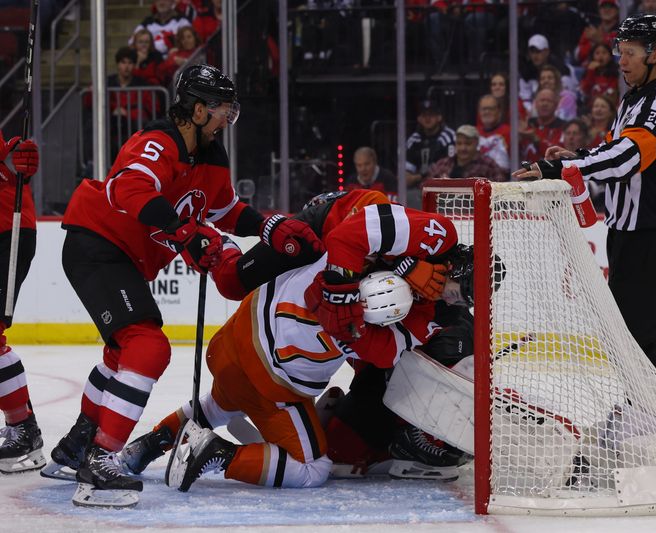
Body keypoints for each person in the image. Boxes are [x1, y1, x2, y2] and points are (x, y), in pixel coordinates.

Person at [43, 65, 323, 506]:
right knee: (146, 348)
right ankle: (100, 459)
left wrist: (269, 225)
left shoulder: (212, 156)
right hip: (98, 243)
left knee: (122, 353)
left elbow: (225, 210)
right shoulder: (158, 142)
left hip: (126, 257)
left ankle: (77, 445)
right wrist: (182, 231)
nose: (226, 122)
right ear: (197, 109)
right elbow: (126, 189)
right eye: (222, 113)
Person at [118, 206, 475, 491]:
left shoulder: (413, 298)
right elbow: (350, 237)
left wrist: (351, 311)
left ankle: (151, 442)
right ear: (456, 265)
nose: (447, 295)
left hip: (234, 342)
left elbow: (352, 238)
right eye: (455, 288)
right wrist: (360, 304)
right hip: (278, 386)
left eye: (456, 299)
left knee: (220, 402)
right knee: (312, 469)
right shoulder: (432, 247)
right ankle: (220, 454)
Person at [512, 14, 656, 380]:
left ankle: (649, 414)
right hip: (625, 233)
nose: (621, 61)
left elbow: (628, 157)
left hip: (653, 235)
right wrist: (575, 158)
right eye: (619, 52)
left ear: (655, 54)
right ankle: (641, 409)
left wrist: (562, 170)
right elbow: (612, 147)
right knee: (622, 336)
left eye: (630, 53)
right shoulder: (633, 100)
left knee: (638, 335)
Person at [0, 133, 41, 474]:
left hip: (6, 233)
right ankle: (22, 425)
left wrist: (17, 153)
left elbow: (15, 157)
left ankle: (23, 428)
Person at [405, 100, 456, 208]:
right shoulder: (413, 140)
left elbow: (449, 170)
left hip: (443, 189)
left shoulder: (449, 137)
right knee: (407, 196)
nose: (427, 118)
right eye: (424, 115)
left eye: (431, 115)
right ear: (419, 118)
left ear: (439, 117)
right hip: (419, 189)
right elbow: (406, 177)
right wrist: (421, 177)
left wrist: (420, 177)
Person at [428, 124, 505, 182]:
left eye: (468, 144)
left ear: (477, 143)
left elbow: (500, 190)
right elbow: (425, 186)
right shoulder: (443, 164)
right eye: (459, 143)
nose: (463, 148)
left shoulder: (489, 165)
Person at [520, 88, 566, 162]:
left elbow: (558, 155)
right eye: (542, 100)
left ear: (556, 105)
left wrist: (535, 139)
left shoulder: (564, 128)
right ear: (535, 104)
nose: (545, 104)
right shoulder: (527, 125)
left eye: (549, 101)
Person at [575, 0, 620, 66]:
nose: (607, 10)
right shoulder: (591, 30)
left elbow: (621, 52)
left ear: (618, 10)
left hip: (615, 71)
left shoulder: (623, 30)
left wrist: (602, 40)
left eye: (611, 7)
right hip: (590, 71)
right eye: (603, 7)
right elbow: (578, 55)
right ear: (599, 10)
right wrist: (592, 44)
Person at [476, 94, 511, 173]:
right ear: (479, 111)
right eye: (484, 109)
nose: (487, 112)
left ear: (499, 111)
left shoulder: (509, 132)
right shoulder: (474, 133)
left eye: (491, 109)